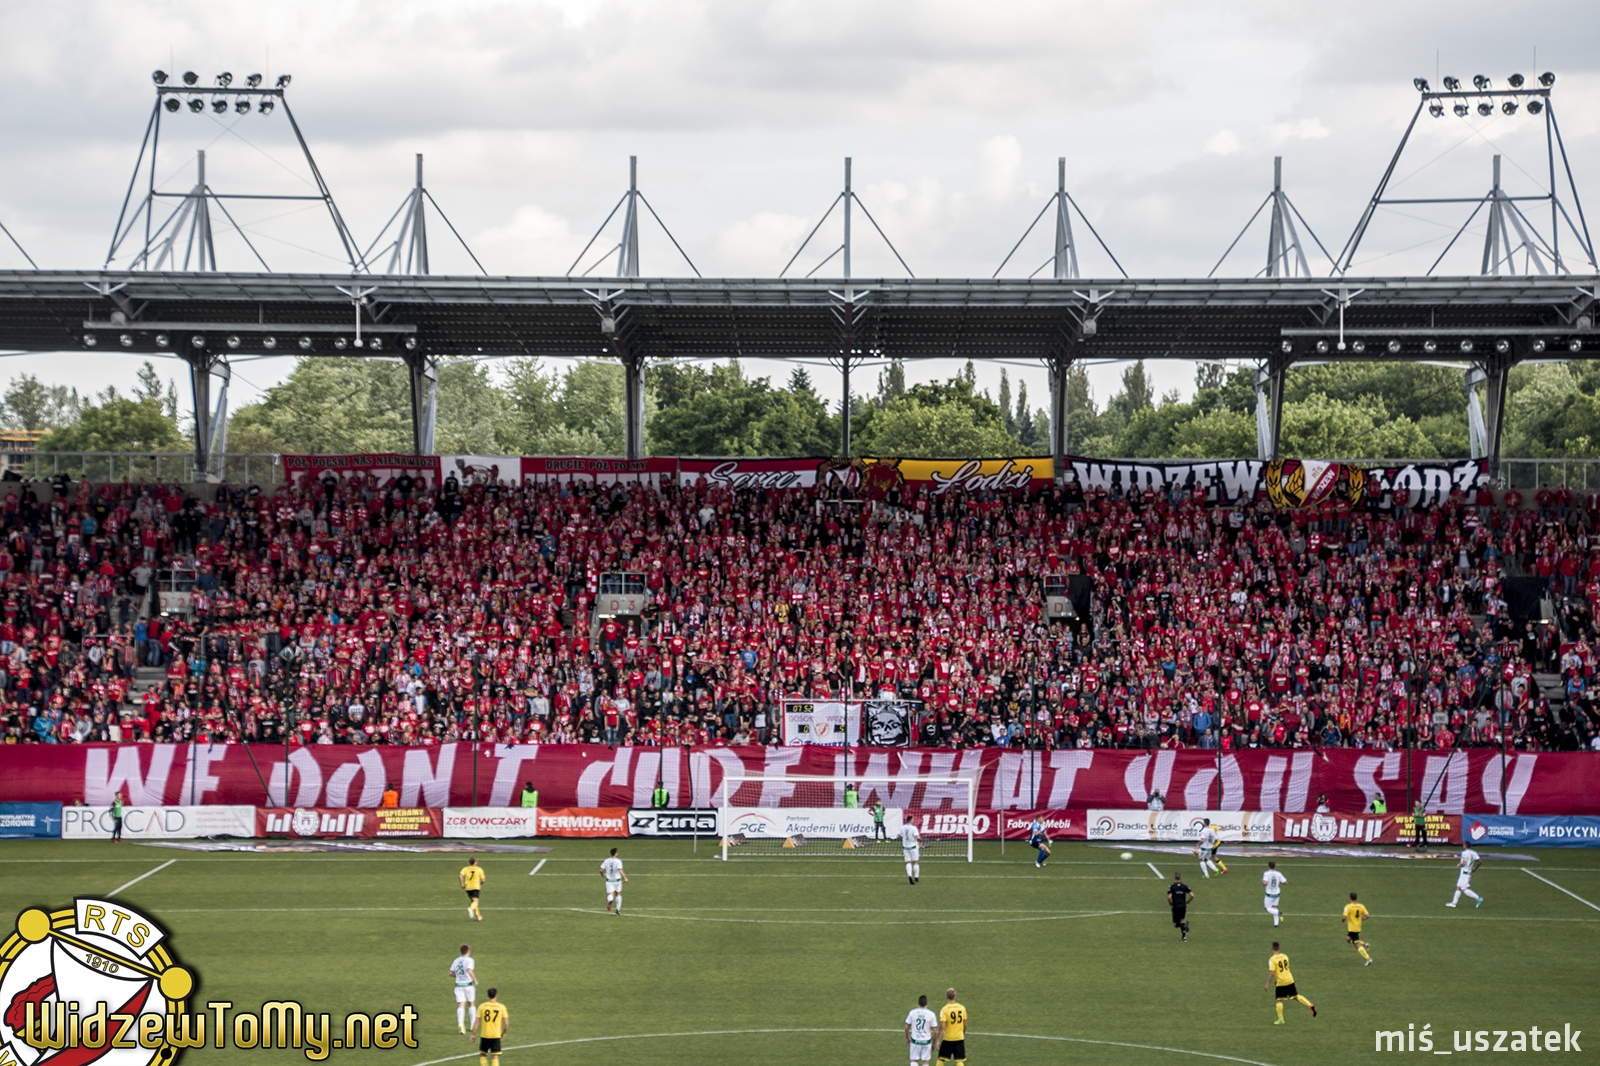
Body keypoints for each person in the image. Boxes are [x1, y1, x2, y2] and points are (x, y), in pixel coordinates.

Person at [1264, 942, 1317, 1024]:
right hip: (1289, 979)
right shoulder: (1285, 956)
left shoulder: (1272, 959)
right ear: (1279, 948)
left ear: (1272, 948)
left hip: (1281, 982)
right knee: (1295, 996)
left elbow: (1272, 973)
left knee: (1279, 1000)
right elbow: (1285, 969)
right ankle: (1309, 1004)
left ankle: (1281, 1019)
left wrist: (1267, 984)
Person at [472, 987, 509, 1066]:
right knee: (495, 1056)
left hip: (485, 1035)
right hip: (496, 1035)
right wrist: (503, 1033)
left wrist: (473, 1034)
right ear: (496, 995)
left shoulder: (482, 1006)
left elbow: (476, 1022)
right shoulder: (501, 1007)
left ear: (487, 995)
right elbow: (506, 1024)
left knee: (483, 1054)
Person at [449, 943, 477, 1035]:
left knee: (461, 1004)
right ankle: (472, 1025)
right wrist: (475, 980)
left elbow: (451, 973)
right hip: (468, 985)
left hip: (459, 985)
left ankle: (461, 1024)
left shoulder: (456, 960)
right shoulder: (470, 960)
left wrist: (459, 975)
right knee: (471, 1003)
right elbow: (469, 970)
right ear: (468, 951)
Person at [904, 994, 940, 1065]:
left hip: (915, 1042)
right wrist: (933, 1043)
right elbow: (934, 1032)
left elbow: (906, 1028)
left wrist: (907, 1038)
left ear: (918, 1003)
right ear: (927, 1003)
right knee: (925, 1062)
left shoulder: (912, 1013)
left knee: (913, 1061)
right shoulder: (931, 1014)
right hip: (926, 1042)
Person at [937, 989, 968, 1066]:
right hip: (959, 1038)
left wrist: (938, 1040)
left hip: (948, 1038)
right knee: (959, 1061)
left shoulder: (944, 1009)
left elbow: (942, 1026)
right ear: (955, 997)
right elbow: (965, 1025)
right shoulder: (962, 1008)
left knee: (941, 1059)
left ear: (946, 997)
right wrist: (962, 1033)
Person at [1341, 893, 1373, 965]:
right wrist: (1362, 919)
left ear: (1350, 898)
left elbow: (1344, 917)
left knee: (1356, 944)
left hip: (1352, 928)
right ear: (1356, 898)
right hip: (1358, 927)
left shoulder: (1348, 906)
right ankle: (1364, 944)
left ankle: (1368, 959)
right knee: (1348, 939)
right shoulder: (1361, 906)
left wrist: (1342, 920)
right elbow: (1367, 915)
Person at [1168, 871, 1193, 941]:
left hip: (1176, 906)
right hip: (1183, 905)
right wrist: (1188, 901)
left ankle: (1184, 925)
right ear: (1181, 878)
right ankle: (1184, 937)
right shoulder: (1184, 886)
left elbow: (1169, 897)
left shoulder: (1172, 887)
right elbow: (1192, 895)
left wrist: (1170, 903)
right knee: (1181, 920)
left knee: (1175, 924)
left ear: (1174, 878)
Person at [601, 847, 628, 914]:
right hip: (617, 880)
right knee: (618, 893)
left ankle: (610, 901)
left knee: (610, 893)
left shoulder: (606, 860)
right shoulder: (618, 861)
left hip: (609, 880)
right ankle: (618, 910)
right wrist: (624, 878)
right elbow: (620, 870)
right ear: (615, 853)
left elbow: (601, 870)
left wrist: (602, 874)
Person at [1262, 861, 1288, 927]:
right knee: (1274, 907)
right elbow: (1285, 882)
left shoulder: (1266, 873)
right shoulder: (1278, 873)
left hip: (1269, 894)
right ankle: (1276, 924)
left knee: (1267, 908)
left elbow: (1265, 883)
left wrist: (1262, 881)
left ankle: (1278, 913)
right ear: (1275, 866)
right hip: (1277, 893)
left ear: (1268, 866)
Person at [459, 858, 486, 922]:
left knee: (473, 901)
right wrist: (479, 883)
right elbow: (483, 880)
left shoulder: (465, 868)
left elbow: (460, 876)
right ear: (475, 862)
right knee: (476, 901)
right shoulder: (479, 869)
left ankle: (478, 916)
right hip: (475, 887)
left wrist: (462, 884)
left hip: (468, 887)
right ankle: (470, 909)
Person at [901, 820, 922, 884]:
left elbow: (898, 836)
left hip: (905, 847)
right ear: (911, 820)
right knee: (915, 861)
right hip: (913, 847)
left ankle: (909, 876)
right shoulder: (913, 828)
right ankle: (916, 877)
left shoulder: (902, 827)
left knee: (908, 862)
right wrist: (920, 841)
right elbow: (917, 837)